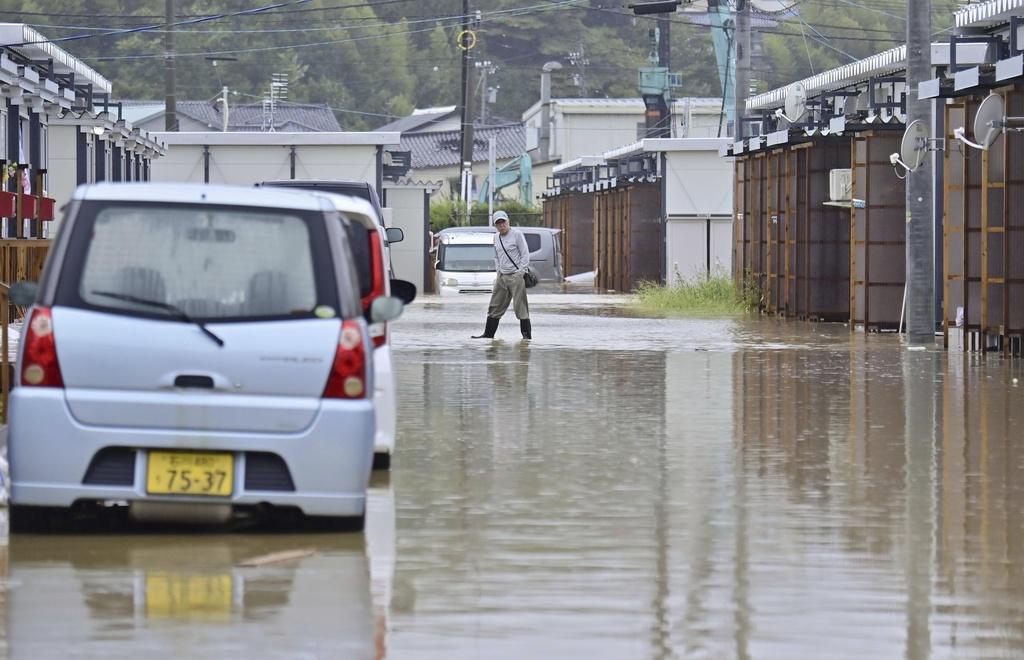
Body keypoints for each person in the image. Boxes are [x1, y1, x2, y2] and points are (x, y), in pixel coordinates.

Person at [472, 210, 532, 339]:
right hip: (502, 276)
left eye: (503, 222)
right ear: (495, 225)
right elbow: (496, 256)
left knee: (520, 307)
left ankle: (526, 338)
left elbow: (525, 254)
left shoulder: (517, 234)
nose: (501, 225)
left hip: (516, 276)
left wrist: (520, 272)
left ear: (507, 221)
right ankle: (488, 335)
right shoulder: (496, 237)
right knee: (495, 305)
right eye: (498, 223)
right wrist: (498, 271)